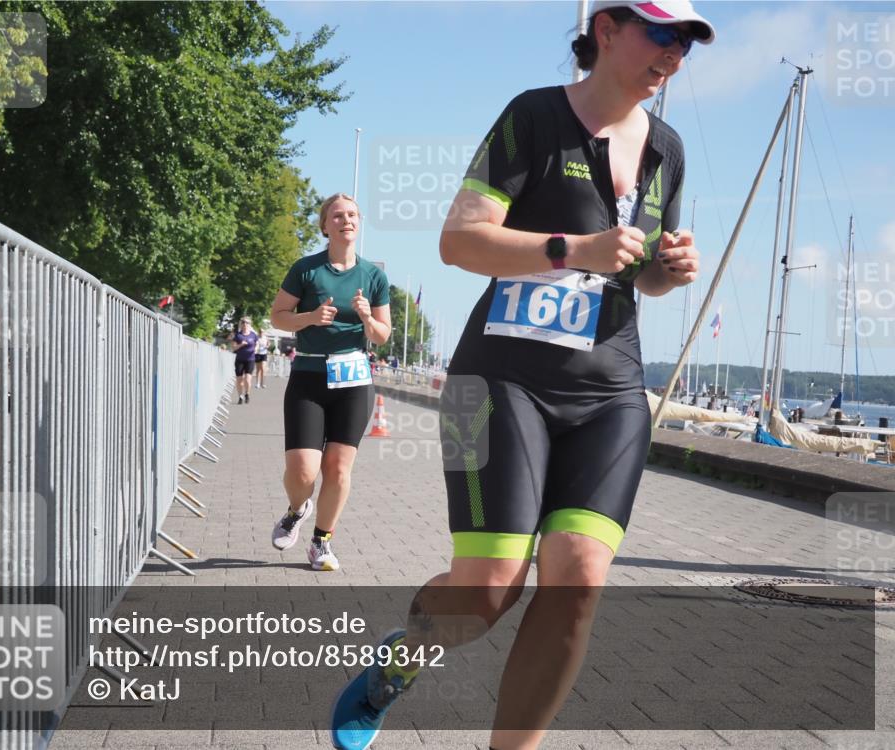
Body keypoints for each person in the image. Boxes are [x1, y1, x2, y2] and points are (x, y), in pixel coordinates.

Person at [331, 1, 713, 747]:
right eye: (661, 33)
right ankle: (399, 664)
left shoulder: (668, 147)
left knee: (577, 581)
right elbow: (459, 240)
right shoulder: (533, 117)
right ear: (606, 29)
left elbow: (636, 273)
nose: (675, 54)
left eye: (688, 41)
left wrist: (668, 270)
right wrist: (572, 248)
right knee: (485, 593)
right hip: (503, 382)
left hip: (609, 391)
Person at [269, 193, 392, 571]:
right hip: (309, 374)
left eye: (352, 214)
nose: (346, 220)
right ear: (325, 226)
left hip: (353, 380)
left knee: (338, 468)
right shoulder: (307, 270)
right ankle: (296, 509)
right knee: (303, 471)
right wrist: (308, 318)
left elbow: (382, 335)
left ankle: (321, 541)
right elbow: (277, 317)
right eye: (337, 215)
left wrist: (366, 317)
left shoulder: (374, 276)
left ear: (359, 223)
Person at [232, 317, 259, 404]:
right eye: (243, 323)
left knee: (248, 379)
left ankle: (247, 393)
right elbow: (234, 348)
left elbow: (257, 344)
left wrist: (256, 349)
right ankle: (240, 396)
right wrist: (241, 345)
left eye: (247, 323)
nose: (245, 324)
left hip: (250, 359)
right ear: (241, 324)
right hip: (240, 359)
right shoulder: (238, 335)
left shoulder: (253, 335)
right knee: (239, 379)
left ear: (249, 324)